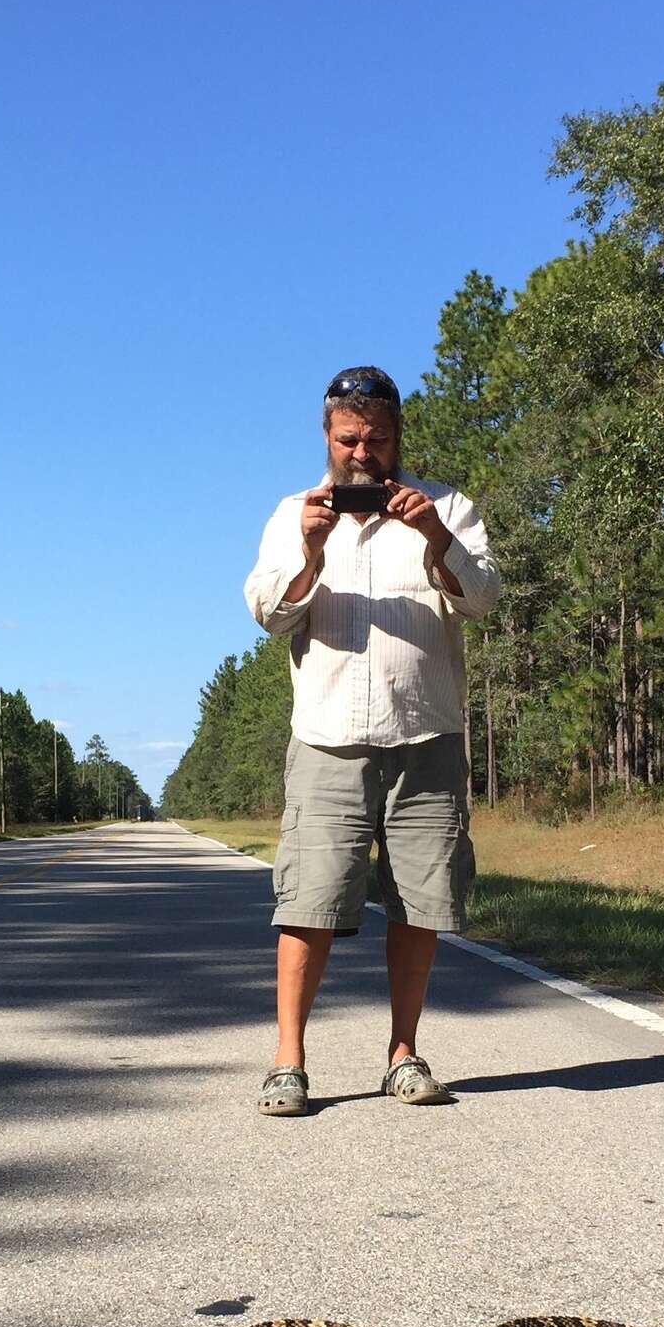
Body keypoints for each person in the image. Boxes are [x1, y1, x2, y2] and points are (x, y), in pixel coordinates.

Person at [243, 366, 501, 1116]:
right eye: (349, 440)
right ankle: (289, 1063)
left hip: (426, 734)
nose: (363, 455)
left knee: (419, 904)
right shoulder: (294, 512)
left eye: (377, 440)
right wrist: (310, 552)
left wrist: (435, 537)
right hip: (328, 739)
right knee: (308, 905)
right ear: (326, 436)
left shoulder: (448, 506)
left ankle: (403, 1053)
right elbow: (267, 612)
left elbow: (484, 598)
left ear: (398, 437)